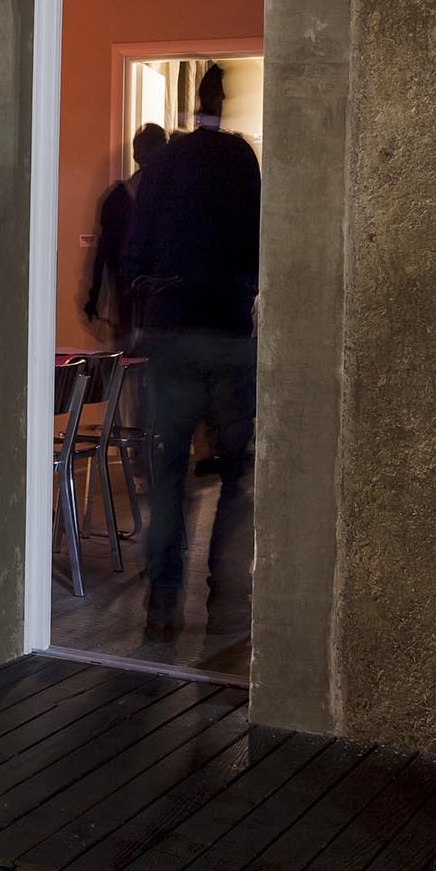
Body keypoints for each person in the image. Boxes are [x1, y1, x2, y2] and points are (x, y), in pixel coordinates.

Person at [122, 63, 261, 646]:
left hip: (172, 328)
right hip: (227, 329)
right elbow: (260, 245)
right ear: (222, 106)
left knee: (168, 474)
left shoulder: (166, 163)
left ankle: (162, 603)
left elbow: (134, 252)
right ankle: (227, 599)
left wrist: (147, 297)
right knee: (236, 473)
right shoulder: (243, 160)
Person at [83, 123, 167, 339]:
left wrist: (94, 296)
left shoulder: (118, 197)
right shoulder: (175, 197)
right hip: (164, 302)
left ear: (136, 154)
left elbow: (104, 254)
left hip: (126, 297)